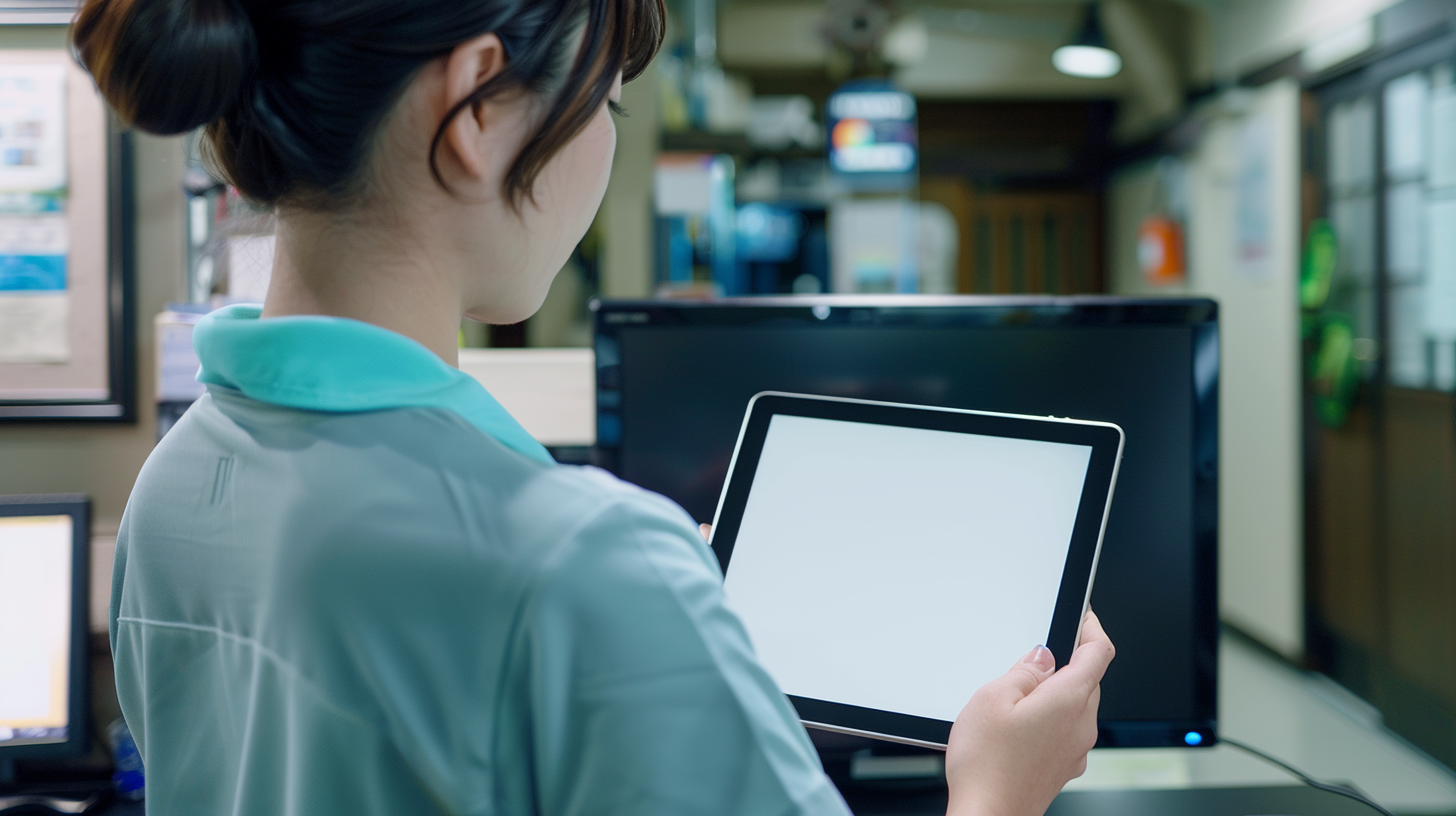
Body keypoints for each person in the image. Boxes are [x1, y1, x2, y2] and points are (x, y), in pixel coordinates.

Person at [75, 0, 1115, 814]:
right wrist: (997, 791)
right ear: (477, 107)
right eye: (605, 104)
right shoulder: (580, 562)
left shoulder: (177, 481)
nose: (605, 145)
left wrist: (661, 609)